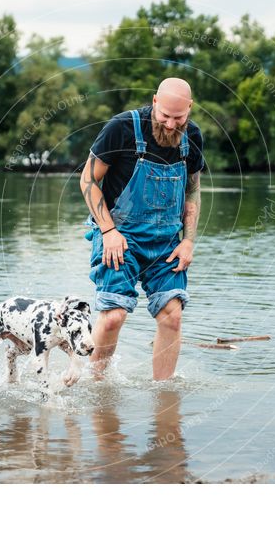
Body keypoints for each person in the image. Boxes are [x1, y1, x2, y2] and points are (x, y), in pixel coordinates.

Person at [80, 78, 203, 380]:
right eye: (165, 116)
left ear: (189, 108)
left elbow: (192, 191)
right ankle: (96, 387)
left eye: (179, 117)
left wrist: (188, 241)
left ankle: (163, 396)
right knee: (113, 317)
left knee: (172, 315)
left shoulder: (193, 137)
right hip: (120, 235)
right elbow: (88, 181)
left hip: (166, 242)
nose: (172, 124)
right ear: (155, 102)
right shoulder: (121, 128)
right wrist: (108, 232)